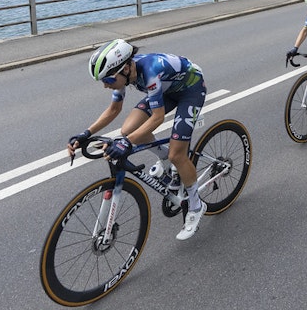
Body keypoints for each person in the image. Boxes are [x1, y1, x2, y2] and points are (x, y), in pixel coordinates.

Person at [67, 38, 208, 241]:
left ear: (125, 69)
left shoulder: (150, 71)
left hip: (191, 90)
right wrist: (86, 133)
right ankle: (165, 158)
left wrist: (127, 142)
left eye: (108, 81)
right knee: (128, 130)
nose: (106, 86)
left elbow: (158, 118)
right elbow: (114, 109)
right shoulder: (123, 73)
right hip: (167, 90)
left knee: (177, 155)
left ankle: (196, 206)